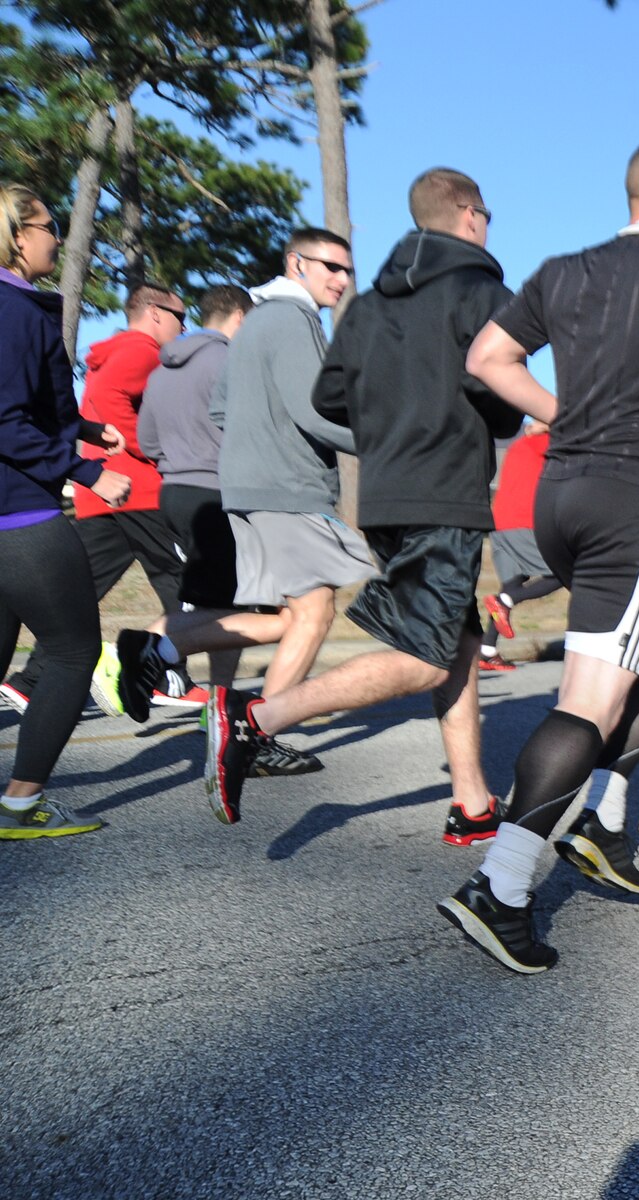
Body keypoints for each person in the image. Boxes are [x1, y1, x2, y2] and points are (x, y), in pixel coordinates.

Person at [439, 137, 639, 974]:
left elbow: (487, 360)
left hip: (561, 495)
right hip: (636, 502)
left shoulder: (563, 269)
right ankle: (502, 887)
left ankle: (604, 814)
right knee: (589, 700)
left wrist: (559, 413)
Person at [195, 169, 521, 841]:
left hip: (383, 495)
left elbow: (330, 399)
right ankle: (256, 719)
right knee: (426, 657)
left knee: (455, 643)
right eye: (484, 213)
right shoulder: (481, 290)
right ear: (465, 214)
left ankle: (473, 802)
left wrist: (398, 417)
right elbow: (502, 388)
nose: (487, 224)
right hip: (445, 491)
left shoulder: (369, 304)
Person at [121, 227, 362, 780]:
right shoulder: (294, 318)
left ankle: (157, 651)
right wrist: (388, 441)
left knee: (291, 613)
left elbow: (225, 408)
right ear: (296, 263)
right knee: (314, 610)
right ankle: (255, 734)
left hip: (247, 488)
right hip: (286, 487)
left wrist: (258, 451)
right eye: (331, 267)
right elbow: (315, 412)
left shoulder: (256, 321)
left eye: (347, 270)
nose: (342, 280)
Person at [0, 184, 131, 839]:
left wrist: (83, 428)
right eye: (50, 226)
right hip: (21, 518)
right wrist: (87, 473)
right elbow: (4, 421)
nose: (60, 236)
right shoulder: (14, 311)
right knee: (74, 651)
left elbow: (24, 406)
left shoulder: (17, 307)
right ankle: (21, 806)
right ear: (18, 237)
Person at [7, 281, 189, 720]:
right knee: (186, 582)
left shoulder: (112, 352)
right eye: (181, 319)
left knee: (79, 593)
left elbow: (93, 407)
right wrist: (152, 450)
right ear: (156, 313)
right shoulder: (144, 351)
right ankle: (165, 678)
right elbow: (110, 403)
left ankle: (29, 682)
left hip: (103, 494)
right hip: (135, 491)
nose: (184, 329)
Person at [137, 284, 252, 701]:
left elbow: (147, 443)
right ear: (239, 316)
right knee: (232, 610)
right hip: (218, 494)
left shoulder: (161, 370)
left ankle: (215, 698)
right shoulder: (231, 361)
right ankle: (217, 698)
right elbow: (252, 430)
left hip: (173, 495)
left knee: (209, 604)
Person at [480, 417, 563, 671]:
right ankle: (506, 601)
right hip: (523, 522)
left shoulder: (519, 445)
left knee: (511, 583)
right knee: (563, 572)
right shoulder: (547, 443)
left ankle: (487, 650)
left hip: (499, 523)